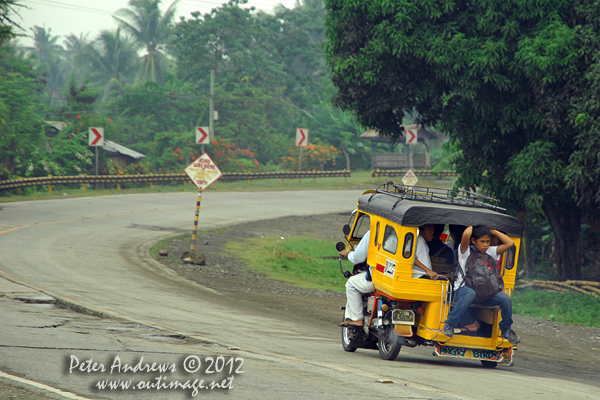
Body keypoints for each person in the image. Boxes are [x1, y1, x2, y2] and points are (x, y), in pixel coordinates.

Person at [442, 225, 520, 346]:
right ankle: (449, 324)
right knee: (470, 293)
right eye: (482, 241)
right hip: (464, 291)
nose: (485, 245)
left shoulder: (490, 252)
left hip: (484, 293)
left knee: (505, 298)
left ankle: (506, 330)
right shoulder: (465, 252)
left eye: (488, 241)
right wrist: (475, 222)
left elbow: (510, 243)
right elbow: (466, 235)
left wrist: (493, 231)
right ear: (473, 241)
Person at [339, 231, 373, 326]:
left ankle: (356, 318)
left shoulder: (373, 232)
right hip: (404, 283)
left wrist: (348, 254)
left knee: (351, 283)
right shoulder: (409, 235)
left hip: (378, 280)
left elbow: (358, 257)